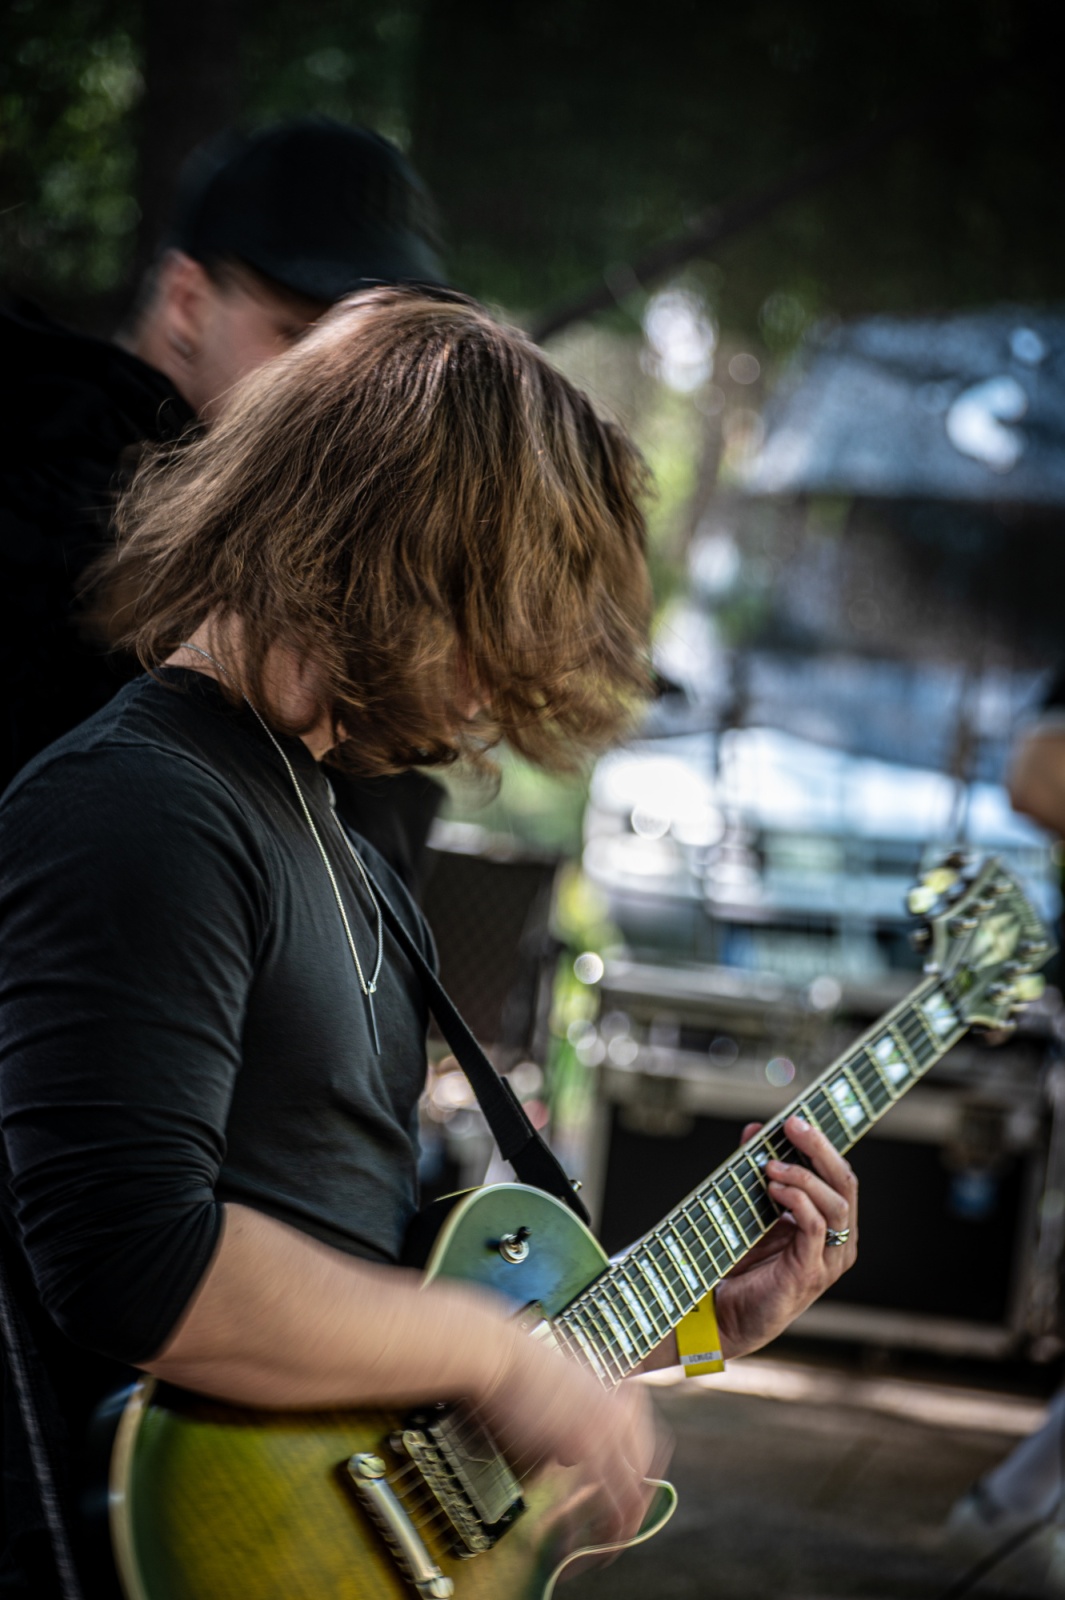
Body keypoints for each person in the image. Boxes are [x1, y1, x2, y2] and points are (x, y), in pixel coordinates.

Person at [0, 288, 860, 1597]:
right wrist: (495, 1354)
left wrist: (692, 1326)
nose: (496, 693)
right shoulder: (141, 804)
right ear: (392, 555)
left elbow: (375, 1296)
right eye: (491, 619)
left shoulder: (346, 848)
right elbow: (136, 1268)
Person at [0, 115, 446, 885]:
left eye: (371, 363)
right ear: (185, 302)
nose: (336, 395)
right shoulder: (62, 503)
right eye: (297, 338)